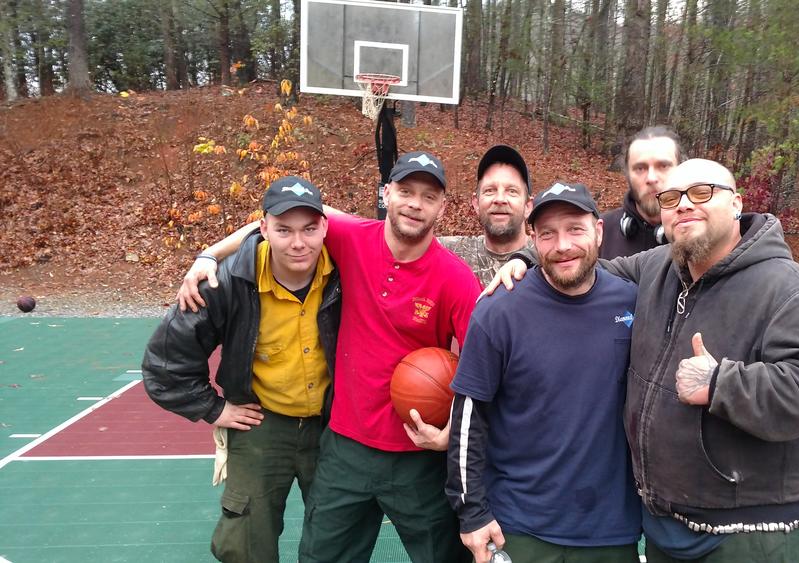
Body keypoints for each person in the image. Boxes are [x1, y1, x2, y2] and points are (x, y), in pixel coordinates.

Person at [488, 159, 799, 563]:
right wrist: (524, 258)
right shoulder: (658, 267)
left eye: (701, 193)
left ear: (736, 203)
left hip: (744, 534)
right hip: (666, 525)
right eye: (672, 197)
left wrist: (722, 384)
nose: (684, 205)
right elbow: (583, 265)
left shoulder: (789, 288)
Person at [176, 151, 480, 563]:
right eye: (406, 191)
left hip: (418, 455)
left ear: (442, 207)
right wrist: (210, 255)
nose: (415, 203)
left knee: (447, 557)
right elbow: (270, 225)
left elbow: (485, 368)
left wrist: (454, 436)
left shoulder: (456, 279)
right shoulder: (350, 236)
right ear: (386, 193)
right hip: (344, 447)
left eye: (428, 196)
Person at [142, 176, 341, 563]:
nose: (298, 243)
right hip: (261, 422)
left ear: (325, 228)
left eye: (309, 229)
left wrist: (207, 250)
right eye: (283, 230)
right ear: (263, 228)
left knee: (340, 533)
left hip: (332, 424)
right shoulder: (226, 280)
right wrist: (215, 409)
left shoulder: (347, 268)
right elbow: (165, 363)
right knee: (245, 541)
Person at [446, 182, 641, 563]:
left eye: (575, 229)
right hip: (520, 525)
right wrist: (472, 512)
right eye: (548, 233)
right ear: (532, 238)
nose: (563, 245)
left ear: (598, 231)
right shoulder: (499, 311)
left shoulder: (631, 302)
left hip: (610, 528)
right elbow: (469, 419)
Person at [439, 144, 534, 286]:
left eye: (512, 191)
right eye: (490, 190)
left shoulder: (548, 259)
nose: (500, 199)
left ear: (528, 206)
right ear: (476, 203)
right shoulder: (450, 253)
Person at [599, 126, 685, 259]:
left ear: (681, 169)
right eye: (640, 168)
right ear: (627, 174)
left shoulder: (698, 234)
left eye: (663, 166)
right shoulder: (601, 232)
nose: (651, 178)